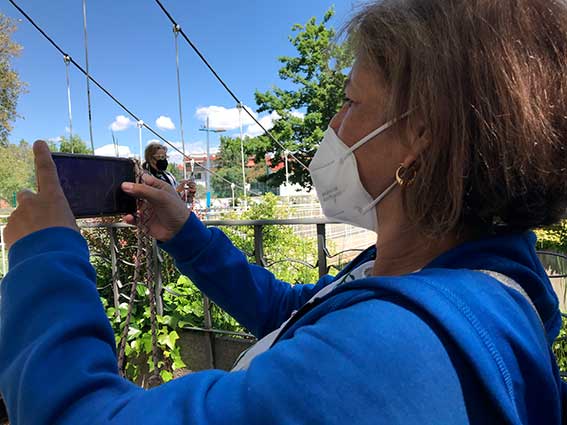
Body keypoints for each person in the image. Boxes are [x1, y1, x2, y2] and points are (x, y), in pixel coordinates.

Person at [1, 0, 567, 423]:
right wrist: (184, 232)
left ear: (420, 134)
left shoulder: (396, 351)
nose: (333, 127)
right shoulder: (436, 274)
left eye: (349, 102)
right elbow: (291, 312)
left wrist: (43, 256)